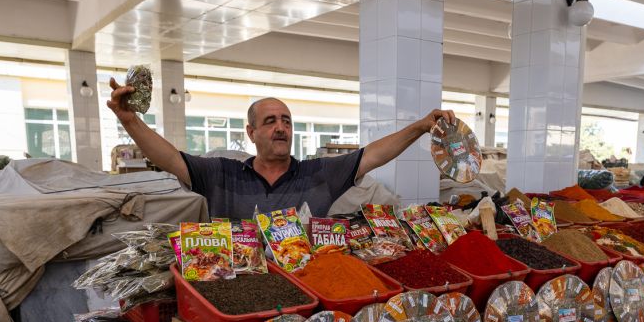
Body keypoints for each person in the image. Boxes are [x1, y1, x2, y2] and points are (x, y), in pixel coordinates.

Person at [107, 79, 456, 219]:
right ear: (251, 132)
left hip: (303, 294)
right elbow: (167, 157)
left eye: (287, 121)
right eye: (271, 121)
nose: (281, 127)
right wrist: (129, 120)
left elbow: (374, 154)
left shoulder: (317, 174)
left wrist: (420, 126)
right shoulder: (221, 174)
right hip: (237, 289)